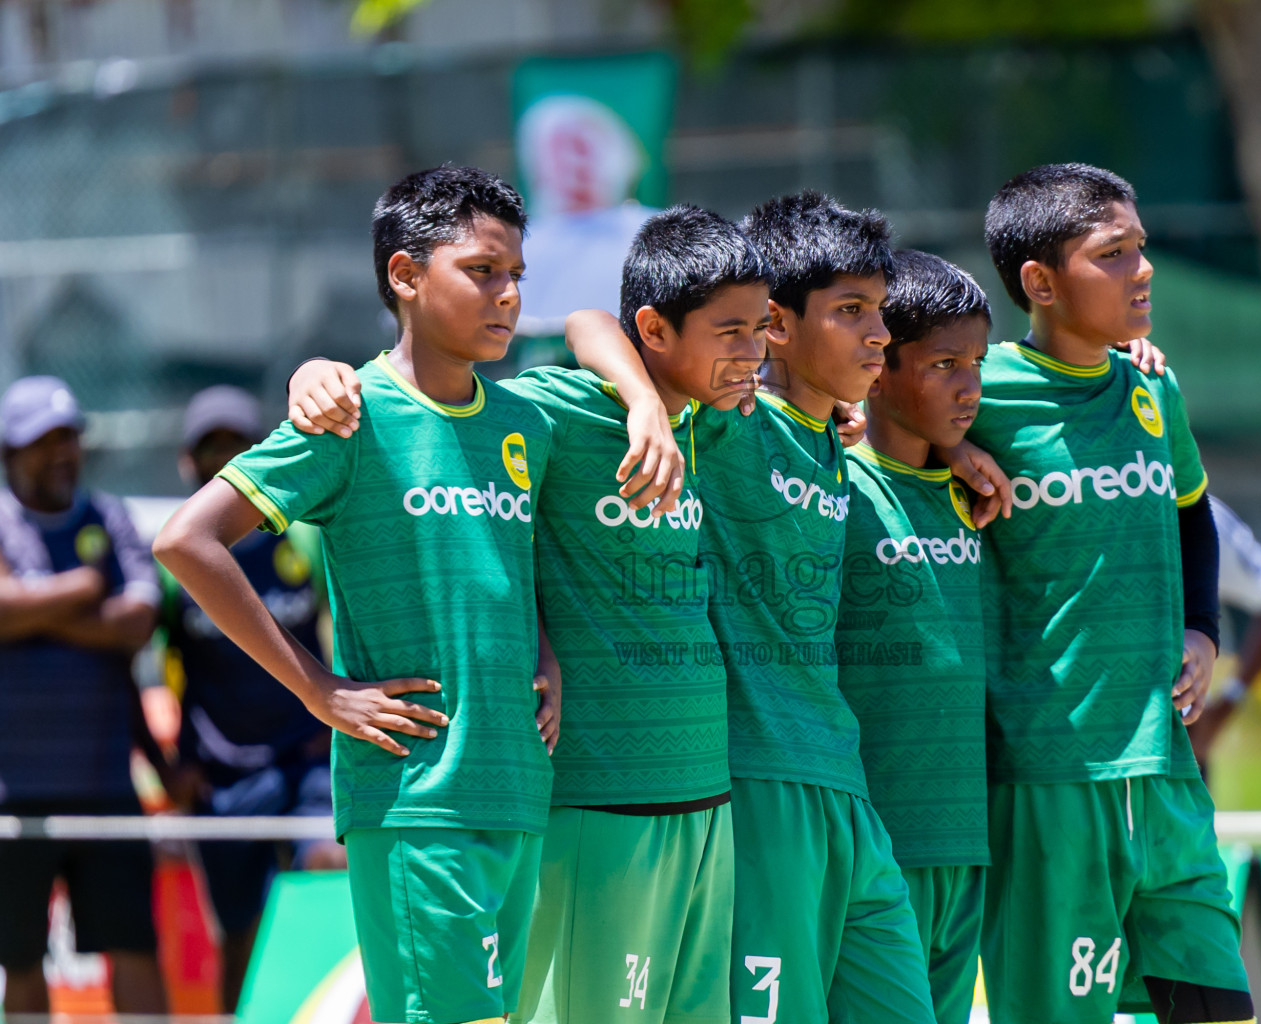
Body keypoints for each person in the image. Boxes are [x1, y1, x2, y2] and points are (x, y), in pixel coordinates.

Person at [284, 204, 768, 1024]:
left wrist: (541, 642)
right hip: (584, 802)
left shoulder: (722, 428)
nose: (754, 350)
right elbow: (582, 323)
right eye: (734, 331)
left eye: (763, 329)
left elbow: (503, 562)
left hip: (703, 805)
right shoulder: (552, 414)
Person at [155, 165, 560, 1024]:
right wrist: (317, 687)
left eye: (517, 275)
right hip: (417, 799)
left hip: (521, 791)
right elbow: (185, 542)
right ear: (405, 277)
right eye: (483, 271)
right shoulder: (349, 414)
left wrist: (548, 652)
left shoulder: (526, 420)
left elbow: (524, 565)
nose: (508, 296)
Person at [566, 191, 941, 1024]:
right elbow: (592, 321)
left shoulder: (835, 440)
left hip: (847, 793)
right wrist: (639, 403)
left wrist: (971, 453)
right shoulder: (726, 422)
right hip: (759, 792)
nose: (880, 334)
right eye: (852, 311)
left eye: (879, 311)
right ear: (775, 322)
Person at [957, 163, 1254, 1024]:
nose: (1144, 269)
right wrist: (949, 452)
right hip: (1048, 778)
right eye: (1113, 253)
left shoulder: (1152, 385)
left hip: (1166, 771)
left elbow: (1193, 516)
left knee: (1219, 1008)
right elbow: (876, 424)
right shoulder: (981, 392)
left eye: (1142, 248)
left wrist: (1203, 629)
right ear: (1040, 284)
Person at [836, 249, 990, 1024]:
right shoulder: (834, 486)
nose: (970, 387)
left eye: (978, 363)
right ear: (878, 368)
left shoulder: (981, 490)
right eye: (943, 365)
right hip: (871, 841)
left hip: (964, 840)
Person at [160, 384, 343, 1011]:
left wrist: (339, 707)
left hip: (308, 756)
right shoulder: (175, 558)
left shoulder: (304, 541)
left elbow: (339, 624)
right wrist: (175, 762)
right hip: (223, 772)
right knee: (237, 932)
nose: (223, 460)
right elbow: (168, 666)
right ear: (189, 463)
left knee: (324, 869)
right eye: (210, 449)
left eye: (237, 446)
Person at [0, 375, 168, 1017]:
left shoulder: (110, 515)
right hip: (14, 791)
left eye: (69, 439)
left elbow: (139, 621)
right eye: (45, 442)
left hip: (105, 783)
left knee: (132, 947)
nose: (62, 453)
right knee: (18, 958)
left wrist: (33, 607)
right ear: (12, 453)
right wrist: (80, 588)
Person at [1185, 495, 1261, 767]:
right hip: (1081, 733)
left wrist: (1229, 701)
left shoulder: (1192, 509)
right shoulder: (1073, 497)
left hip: (1180, 736)